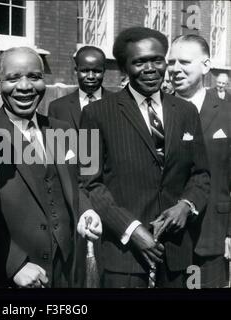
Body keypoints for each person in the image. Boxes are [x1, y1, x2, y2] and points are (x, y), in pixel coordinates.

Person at [79, 27, 210, 288]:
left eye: (157, 59)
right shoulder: (95, 113)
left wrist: (186, 205)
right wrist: (132, 229)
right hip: (124, 258)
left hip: (176, 255)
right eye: (139, 62)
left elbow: (201, 174)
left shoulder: (186, 111)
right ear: (124, 68)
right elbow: (89, 183)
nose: (150, 68)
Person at [0, 47, 102, 288]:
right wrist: (14, 264)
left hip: (65, 273)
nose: (25, 87)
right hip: (15, 277)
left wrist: (86, 211)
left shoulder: (62, 129)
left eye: (34, 77)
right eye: (13, 78)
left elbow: (78, 184)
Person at [168, 34, 231, 288]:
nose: (175, 69)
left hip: (212, 236)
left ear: (206, 66)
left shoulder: (227, 113)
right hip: (166, 239)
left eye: (184, 61)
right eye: (171, 62)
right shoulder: (156, 112)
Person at [48, 46, 111, 130]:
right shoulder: (57, 108)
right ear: (75, 71)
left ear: (104, 71)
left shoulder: (119, 105)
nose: (91, 76)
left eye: (97, 71)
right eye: (85, 71)